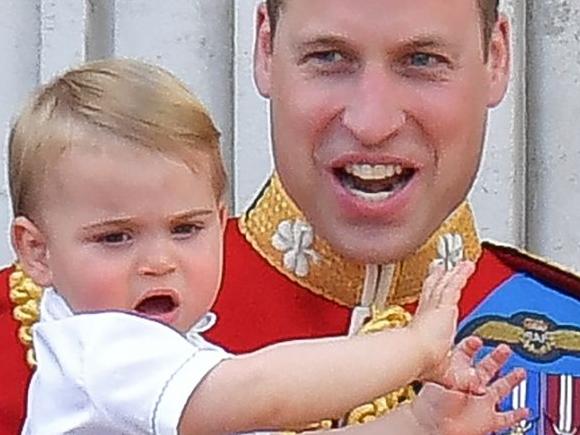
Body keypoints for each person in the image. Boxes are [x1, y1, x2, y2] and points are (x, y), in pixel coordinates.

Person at [1, 0, 579, 433]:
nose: (372, 121)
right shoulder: (36, 327)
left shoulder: (563, 334)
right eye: (329, 57)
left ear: (497, 58)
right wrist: (417, 349)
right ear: (265, 49)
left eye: (423, 60)